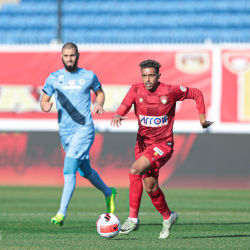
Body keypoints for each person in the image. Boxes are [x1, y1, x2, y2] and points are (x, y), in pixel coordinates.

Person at [111, 59, 213, 238]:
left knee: (134, 170)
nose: (148, 79)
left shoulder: (170, 91)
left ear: (159, 75)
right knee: (150, 187)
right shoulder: (136, 89)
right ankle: (168, 217)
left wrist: (202, 119)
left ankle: (133, 219)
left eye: (151, 75)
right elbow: (125, 105)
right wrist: (119, 114)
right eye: (144, 75)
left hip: (163, 145)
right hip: (142, 144)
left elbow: (196, 93)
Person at [40, 43, 116, 226]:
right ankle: (108, 192)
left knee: (69, 169)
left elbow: (99, 93)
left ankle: (61, 213)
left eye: (72, 55)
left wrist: (99, 104)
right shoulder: (53, 78)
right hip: (65, 133)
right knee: (85, 171)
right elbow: (44, 100)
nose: (69, 59)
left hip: (84, 129)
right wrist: (45, 106)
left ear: (78, 55)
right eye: (66, 56)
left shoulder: (88, 76)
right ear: (62, 56)